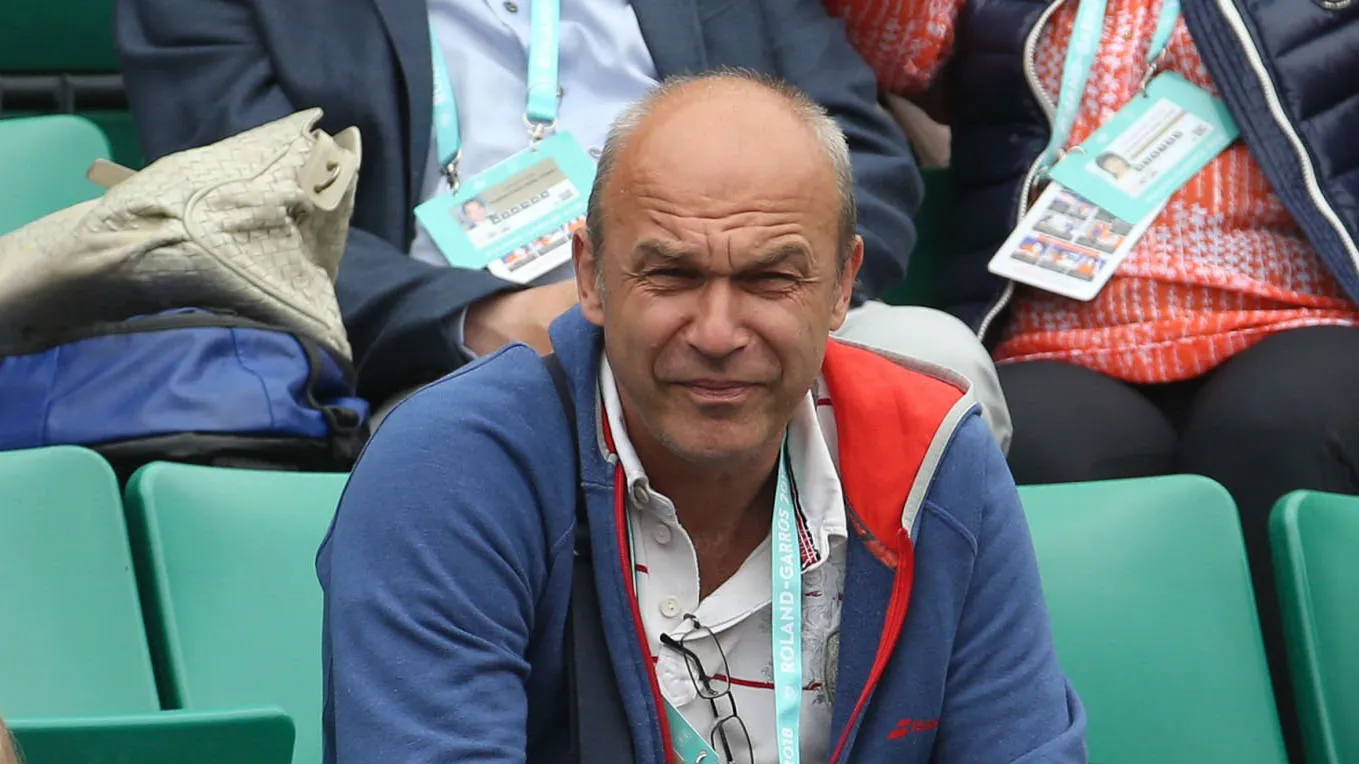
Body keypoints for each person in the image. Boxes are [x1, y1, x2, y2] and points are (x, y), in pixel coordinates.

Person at [317, 72, 1084, 763]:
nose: (717, 333)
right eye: (672, 274)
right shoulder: (450, 471)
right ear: (590, 275)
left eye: (769, 278)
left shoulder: (933, 454)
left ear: (842, 285)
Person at [113, 0, 1011, 451]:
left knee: (936, 363)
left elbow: (857, 152)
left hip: (745, 308)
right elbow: (236, 215)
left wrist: (771, 293)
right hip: (457, 356)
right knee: (459, 438)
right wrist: (482, 319)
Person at [825, 0, 1359, 757]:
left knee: (1278, 429)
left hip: (1294, 308)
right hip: (1060, 328)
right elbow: (897, 45)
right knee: (1035, 451)